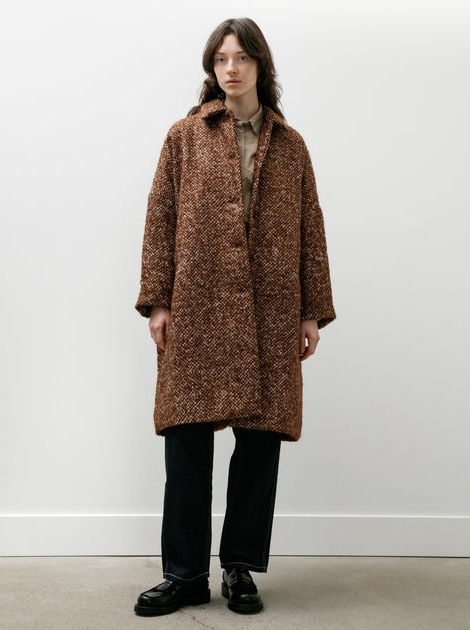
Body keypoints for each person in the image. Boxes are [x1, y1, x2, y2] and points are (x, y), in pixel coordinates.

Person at [133, 17, 337, 617]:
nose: (231, 68)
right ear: (211, 67)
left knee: (261, 442)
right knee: (186, 440)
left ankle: (239, 568)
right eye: (221, 58)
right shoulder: (184, 137)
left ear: (260, 65)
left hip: (272, 309)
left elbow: (311, 228)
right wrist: (159, 300)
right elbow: (160, 219)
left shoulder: (291, 145)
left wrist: (310, 311)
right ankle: (184, 574)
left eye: (242, 57)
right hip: (198, 304)